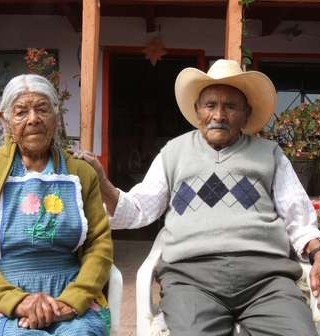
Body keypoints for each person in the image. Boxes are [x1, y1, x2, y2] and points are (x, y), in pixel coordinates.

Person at [76, 59, 320, 336]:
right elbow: (139, 209)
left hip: (266, 278)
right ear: (197, 110)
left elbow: (298, 217)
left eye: (230, 106)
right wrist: (103, 183)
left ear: (246, 113)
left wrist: (317, 252)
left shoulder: (270, 154)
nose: (219, 115)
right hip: (192, 277)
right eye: (210, 105)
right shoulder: (174, 152)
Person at [0, 74, 113, 336]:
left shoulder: (81, 172)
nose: (33, 118)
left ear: (56, 115)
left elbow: (99, 245)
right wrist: (17, 301)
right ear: (5, 120)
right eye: (21, 112)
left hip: (70, 290)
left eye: (42, 108)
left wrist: (73, 300)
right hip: (0, 293)